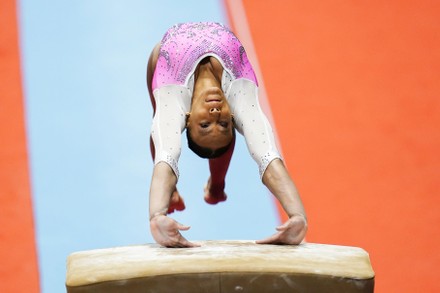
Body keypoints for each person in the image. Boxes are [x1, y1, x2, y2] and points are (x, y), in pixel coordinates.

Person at [147, 22, 307, 248]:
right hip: (215, 75)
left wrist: (156, 216)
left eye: (204, 125)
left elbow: (166, 156)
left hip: (162, 58)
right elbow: (269, 158)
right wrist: (297, 214)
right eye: (223, 122)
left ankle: (202, 188)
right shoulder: (240, 92)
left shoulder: (174, 96)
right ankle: (215, 187)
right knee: (178, 130)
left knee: (161, 125)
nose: (214, 114)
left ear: (187, 118)